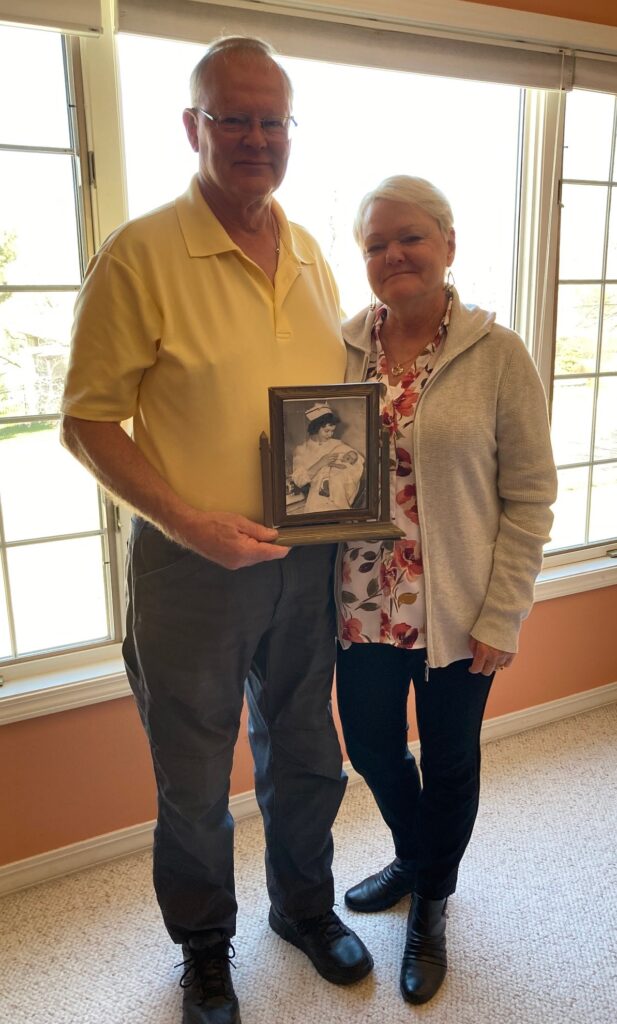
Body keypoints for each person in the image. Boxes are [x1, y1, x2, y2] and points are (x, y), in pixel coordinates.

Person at [60, 36, 372, 1024]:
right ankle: (202, 949)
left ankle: (303, 907)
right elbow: (86, 420)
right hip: (188, 569)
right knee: (194, 775)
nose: (252, 136)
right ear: (191, 127)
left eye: (270, 119)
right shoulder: (141, 252)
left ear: (290, 133)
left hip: (303, 557)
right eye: (229, 117)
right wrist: (192, 522)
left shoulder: (314, 251)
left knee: (306, 749)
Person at [337, 175, 557, 1005]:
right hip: (361, 603)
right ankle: (414, 855)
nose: (392, 254)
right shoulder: (342, 346)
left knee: (451, 760)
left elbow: (529, 496)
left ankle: (431, 901)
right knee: (369, 746)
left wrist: (504, 612)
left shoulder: (498, 354)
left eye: (409, 237)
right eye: (374, 244)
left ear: (447, 244)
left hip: (458, 611)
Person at [291, 402, 364, 513]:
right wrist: (320, 463)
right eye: (326, 431)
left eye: (332, 431)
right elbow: (298, 480)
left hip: (339, 498)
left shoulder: (338, 445)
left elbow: (356, 463)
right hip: (316, 501)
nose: (330, 435)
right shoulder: (302, 450)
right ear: (315, 428)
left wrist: (340, 474)